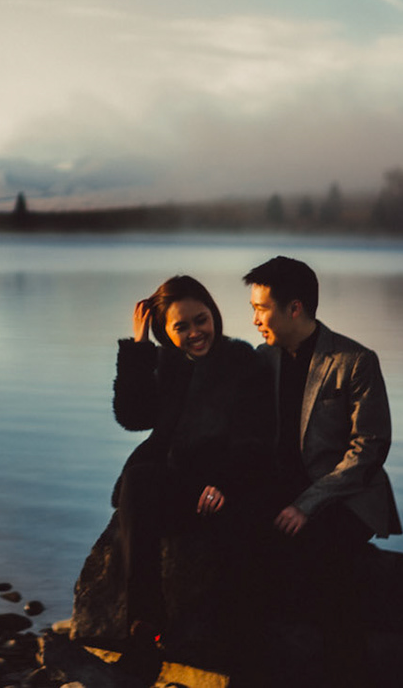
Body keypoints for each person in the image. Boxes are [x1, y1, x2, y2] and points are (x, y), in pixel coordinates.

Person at [71, 275, 276, 669]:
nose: (196, 332)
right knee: (139, 479)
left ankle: (243, 654)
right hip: (174, 483)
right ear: (166, 332)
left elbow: (256, 435)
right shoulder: (167, 363)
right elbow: (132, 417)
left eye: (201, 319)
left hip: (225, 484)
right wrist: (139, 348)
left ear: (213, 314)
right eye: (181, 326)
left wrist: (226, 483)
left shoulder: (242, 360)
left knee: (243, 536)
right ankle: (144, 631)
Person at [243, 255, 400, 687]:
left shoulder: (354, 360)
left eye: (262, 308)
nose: (254, 318)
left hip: (345, 495)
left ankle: (346, 673)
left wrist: (306, 505)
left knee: (330, 560)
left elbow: (369, 450)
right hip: (281, 492)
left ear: (294, 308)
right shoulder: (261, 359)